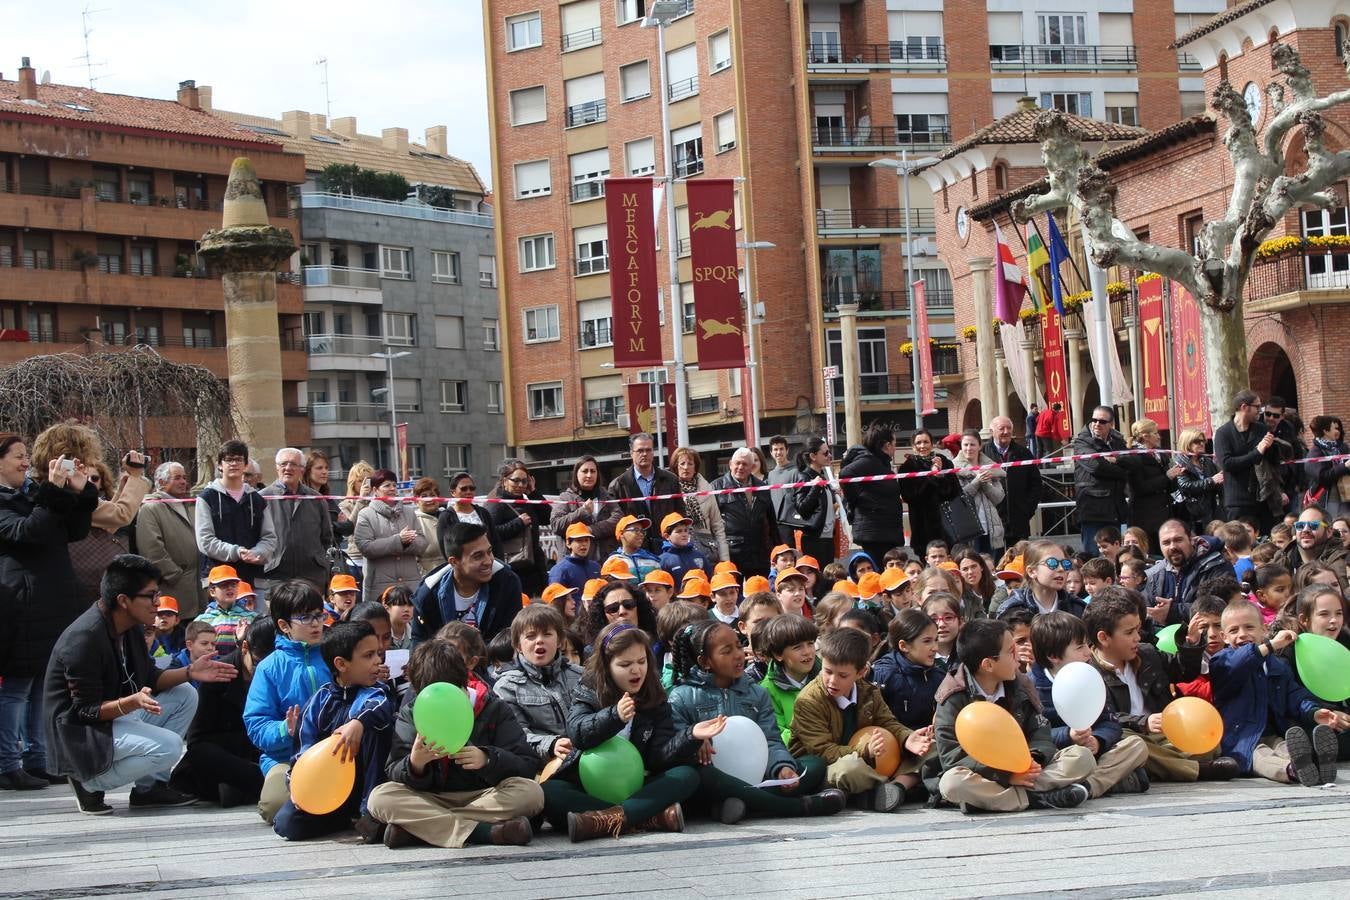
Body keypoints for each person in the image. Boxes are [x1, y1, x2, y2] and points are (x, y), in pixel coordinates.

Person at [44, 554, 237, 814]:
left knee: (185, 694)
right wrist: (129, 703)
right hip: (80, 736)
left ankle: (150, 789)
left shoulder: (131, 626)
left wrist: (191, 671)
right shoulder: (85, 638)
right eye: (151, 596)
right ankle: (88, 781)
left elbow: (152, 679)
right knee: (169, 746)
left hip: (113, 717)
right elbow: (83, 712)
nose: (157, 603)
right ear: (123, 600)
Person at [367, 640, 544, 849]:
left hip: (484, 796)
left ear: (464, 682)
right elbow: (394, 768)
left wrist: (488, 759)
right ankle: (485, 832)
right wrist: (415, 765)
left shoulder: (493, 708)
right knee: (380, 798)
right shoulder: (412, 712)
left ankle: (420, 830)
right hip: (431, 798)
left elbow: (527, 765)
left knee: (531, 793)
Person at [668, 620, 844, 823]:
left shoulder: (757, 693)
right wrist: (693, 740)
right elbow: (676, 746)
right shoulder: (681, 697)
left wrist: (781, 768)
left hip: (758, 775)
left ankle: (741, 804)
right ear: (705, 661)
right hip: (714, 779)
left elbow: (770, 740)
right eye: (726, 651)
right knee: (702, 776)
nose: (738, 654)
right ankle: (795, 806)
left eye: (739, 645)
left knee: (813, 764)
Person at [0, 431, 99, 791]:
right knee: (17, 686)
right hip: (19, 603)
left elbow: (71, 531)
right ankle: (7, 763)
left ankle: (38, 759)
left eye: (27, 455)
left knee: (43, 682)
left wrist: (79, 492)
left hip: (51, 598)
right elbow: (29, 531)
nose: (27, 462)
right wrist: (56, 493)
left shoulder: (31, 495)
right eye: (17, 456)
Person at [554, 622, 714, 841]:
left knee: (686, 775)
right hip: (588, 784)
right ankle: (649, 817)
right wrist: (614, 716)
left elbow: (658, 757)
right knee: (549, 792)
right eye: (625, 664)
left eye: (641, 661)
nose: (636, 670)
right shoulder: (589, 689)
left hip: (636, 784)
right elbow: (577, 733)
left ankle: (603, 821)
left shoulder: (654, 694)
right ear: (607, 666)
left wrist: (691, 735)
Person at [933, 618, 1094, 813]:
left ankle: (999, 800)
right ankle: (1037, 798)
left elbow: (1040, 731)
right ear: (988, 665)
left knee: (1081, 756)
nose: (1019, 656)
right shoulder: (952, 696)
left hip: (1025, 767)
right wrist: (1005, 774)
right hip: (985, 774)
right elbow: (952, 756)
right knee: (952, 783)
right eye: (1011, 652)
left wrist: (1032, 761)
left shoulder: (1021, 684)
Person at [1085, 587, 1238, 782]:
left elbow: (1184, 672)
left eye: (1138, 630)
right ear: (1103, 638)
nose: (1137, 638)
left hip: (1162, 736)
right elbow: (1105, 721)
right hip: (1129, 737)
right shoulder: (1089, 673)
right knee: (1132, 743)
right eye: (1129, 632)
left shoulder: (1146, 653)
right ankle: (1195, 770)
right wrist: (1143, 722)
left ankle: (1151, 769)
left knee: (1209, 745)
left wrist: (1191, 644)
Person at [272, 621, 395, 841]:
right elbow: (302, 750)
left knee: (374, 727)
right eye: (368, 656)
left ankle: (368, 813)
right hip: (331, 789)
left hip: (368, 788)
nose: (378, 661)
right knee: (286, 824)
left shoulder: (377, 692)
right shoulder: (321, 699)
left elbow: (380, 708)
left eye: (378, 654)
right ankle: (344, 817)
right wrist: (298, 787)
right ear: (341, 664)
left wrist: (357, 722)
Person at [788, 627, 929, 812]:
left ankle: (894, 787)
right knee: (851, 768)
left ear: (861, 672)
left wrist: (908, 738)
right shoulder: (809, 700)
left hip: (870, 760)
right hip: (829, 768)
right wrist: (864, 750)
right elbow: (823, 752)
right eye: (827, 671)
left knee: (930, 747)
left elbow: (887, 722)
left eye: (842, 675)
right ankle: (895, 786)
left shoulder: (868, 691)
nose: (832, 681)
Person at [1209, 601, 1344, 785]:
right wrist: (1270, 645)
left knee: (1286, 747)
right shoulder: (1222, 661)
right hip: (1242, 739)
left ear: (1264, 629)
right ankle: (1293, 770)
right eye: (1234, 630)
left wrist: (1314, 712)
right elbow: (1239, 663)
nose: (1242, 634)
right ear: (1224, 637)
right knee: (1263, 758)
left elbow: (1295, 696)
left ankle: (1315, 765)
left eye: (1249, 627)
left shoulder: (1277, 666)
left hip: (1273, 732)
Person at [1028, 612, 1150, 797]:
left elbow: (1110, 722)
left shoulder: (1091, 677)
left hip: (1095, 752)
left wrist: (1098, 741)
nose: (1088, 651)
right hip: (1062, 757)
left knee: (1136, 745)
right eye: (1079, 647)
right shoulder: (1032, 687)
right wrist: (1068, 736)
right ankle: (1038, 789)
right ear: (1053, 656)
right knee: (1079, 757)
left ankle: (1087, 787)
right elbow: (1032, 736)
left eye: (1087, 644)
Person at [243, 579, 331, 823]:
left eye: (319, 615)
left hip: (334, 753)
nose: (315, 624)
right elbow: (256, 724)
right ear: (283, 625)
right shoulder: (269, 668)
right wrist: (285, 729)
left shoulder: (334, 655)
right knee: (274, 806)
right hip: (285, 757)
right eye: (305, 618)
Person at [173, 615, 272, 807]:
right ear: (245, 649)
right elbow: (197, 743)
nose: (264, 670)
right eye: (259, 662)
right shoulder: (219, 674)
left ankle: (242, 791)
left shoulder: (275, 673)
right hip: (222, 755)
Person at [492, 604, 585, 767]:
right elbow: (517, 735)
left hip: (589, 757)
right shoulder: (506, 687)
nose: (539, 640)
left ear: (560, 641)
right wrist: (551, 744)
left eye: (547, 634)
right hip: (544, 767)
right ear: (518, 646)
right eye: (531, 636)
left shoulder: (581, 675)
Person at [412, 522, 523, 642]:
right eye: (478, 556)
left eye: (489, 552)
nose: (488, 561)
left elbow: (509, 639)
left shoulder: (507, 583)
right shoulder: (428, 594)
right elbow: (419, 644)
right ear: (454, 562)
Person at [195, 439, 277, 590]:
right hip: (219, 580)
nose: (234, 464)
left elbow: (269, 538)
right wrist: (236, 552)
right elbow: (205, 541)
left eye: (238, 459)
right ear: (220, 465)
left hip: (253, 580)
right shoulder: (206, 498)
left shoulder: (257, 500)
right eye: (229, 459)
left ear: (245, 465)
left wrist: (257, 553)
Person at [136, 461, 208, 619]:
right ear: (161, 483)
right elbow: (152, 550)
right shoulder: (151, 508)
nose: (183, 482)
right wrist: (175, 575)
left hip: (197, 588)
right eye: (177, 478)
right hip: (173, 590)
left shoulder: (189, 505)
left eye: (184, 477)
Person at [259, 448, 334, 597]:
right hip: (274, 576)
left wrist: (317, 560)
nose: (288, 468)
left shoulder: (316, 499)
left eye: (293, 464)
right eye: (283, 464)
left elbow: (326, 537)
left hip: (311, 575)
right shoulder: (262, 498)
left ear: (302, 469)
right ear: (276, 467)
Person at [1142, 519, 1233, 627]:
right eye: (1166, 543)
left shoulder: (1216, 565)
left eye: (1178, 540)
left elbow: (1221, 606)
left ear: (1191, 540)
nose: (1172, 547)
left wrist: (1174, 612)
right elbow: (1145, 610)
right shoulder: (1155, 575)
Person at [607, 434, 687, 555]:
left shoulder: (670, 480)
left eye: (648, 450)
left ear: (653, 452)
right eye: (640, 450)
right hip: (635, 553)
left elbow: (680, 514)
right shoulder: (618, 485)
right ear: (631, 453)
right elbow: (616, 523)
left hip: (668, 549)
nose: (644, 454)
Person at [355, 469, 427, 605]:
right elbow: (365, 547)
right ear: (375, 490)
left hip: (410, 585)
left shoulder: (409, 512)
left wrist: (408, 542)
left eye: (394, 485)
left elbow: (422, 543)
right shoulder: (366, 514)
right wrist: (398, 541)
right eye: (387, 485)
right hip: (380, 587)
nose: (392, 489)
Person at [1214, 390, 1282, 531]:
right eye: (1257, 407)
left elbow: (1274, 461)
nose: (1260, 411)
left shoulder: (1261, 429)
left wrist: (1272, 447)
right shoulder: (1223, 433)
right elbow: (1228, 464)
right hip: (1237, 501)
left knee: (1265, 542)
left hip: (1263, 498)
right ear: (1244, 407)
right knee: (1239, 542)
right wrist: (1257, 452)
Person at [872, 608, 944, 737]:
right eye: (927, 641)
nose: (935, 648)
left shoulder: (939, 676)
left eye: (936, 639)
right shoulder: (883, 675)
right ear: (903, 646)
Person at [840, 423, 905, 563]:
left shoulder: (881, 462)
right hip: (875, 532)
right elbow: (846, 474)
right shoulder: (869, 461)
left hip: (884, 529)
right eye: (894, 444)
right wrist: (856, 499)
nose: (895, 447)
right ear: (887, 445)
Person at [711, 448, 778, 578]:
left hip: (759, 554)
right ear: (730, 464)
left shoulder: (762, 487)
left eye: (745, 464)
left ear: (752, 467)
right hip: (731, 553)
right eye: (737, 463)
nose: (740, 467)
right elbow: (712, 523)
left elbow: (771, 522)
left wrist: (775, 548)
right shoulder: (716, 487)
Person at [487, 460, 549, 598]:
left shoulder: (527, 501)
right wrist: (518, 523)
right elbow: (490, 533)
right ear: (504, 481)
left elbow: (547, 517)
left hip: (534, 567)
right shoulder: (496, 503)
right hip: (511, 568)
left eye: (524, 481)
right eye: (516, 481)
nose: (520, 485)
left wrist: (533, 492)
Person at [1072, 406, 1129, 551]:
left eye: (1102, 421)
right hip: (1093, 511)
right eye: (1094, 420)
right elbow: (1096, 466)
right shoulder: (1082, 442)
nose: (1097, 424)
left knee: (1119, 557)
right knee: (1094, 561)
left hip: (1116, 510)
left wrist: (1116, 461)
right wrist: (1121, 470)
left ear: (1111, 424)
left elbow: (1133, 462)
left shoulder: (1117, 441)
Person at [759, 613, 820, 746]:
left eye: (810, 644)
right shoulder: (767, 690)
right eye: (797, 647)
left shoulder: (827, 677)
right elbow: (778, 736)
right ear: (778, 654)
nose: (807, 652)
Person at [897, 430, 959, 560]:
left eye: (926, 442)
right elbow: (910, 497)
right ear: (913, 446)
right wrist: (931, 477)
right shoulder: (906, 468)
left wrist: (941, 476)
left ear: (932, 444)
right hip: (922, 528)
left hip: (947, 526)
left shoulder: (944, 462)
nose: (922, 446)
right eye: (918, 443)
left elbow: (953, 492)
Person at [983, 416, 1042, 547]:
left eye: (1009, 428)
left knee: (1018, 562)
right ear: (991, 431)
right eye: (1001, 428)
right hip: (992, 520)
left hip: (1019, 520)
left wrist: (1027, 509)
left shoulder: (1024, 453)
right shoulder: (982, 454)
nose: (1006, 431)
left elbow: (1036, 484)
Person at [1121, 419, 1178, 552]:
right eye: (1155, 433)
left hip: (1164, 512)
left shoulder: (1160, 454)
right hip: (1145, 516)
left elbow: (1168, 485)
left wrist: (1174, 477)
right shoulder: (1134, 456)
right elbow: (1139, 487)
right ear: (1145, 436)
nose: (1159, 436)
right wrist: (1166, 477)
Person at [549, 456, 621, 560]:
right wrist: (582, 512)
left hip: (606, 562)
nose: (589, 475)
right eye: (585, 471)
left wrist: (591, 530)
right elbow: (556, 524)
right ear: (576, 474)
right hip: (575, 564)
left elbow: (618, 519)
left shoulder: (606, 496)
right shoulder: (565, 497)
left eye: (593, 471)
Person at [996, 540, 1088, 618]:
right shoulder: (1012, 610)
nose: (1061, 569)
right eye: (1052, 563)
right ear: (1032, 571)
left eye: (1065, 563)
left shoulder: (1078, 608)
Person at [670, 447, 728, 564]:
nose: (686, 467)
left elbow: (718, 526)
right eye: (682, 463)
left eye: (690, 463)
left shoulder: (707, 489)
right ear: (675, 466)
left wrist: (724, 560)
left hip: (706, 550)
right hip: (679, 554)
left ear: (696, 467)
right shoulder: (669, 489)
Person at [789, 437, 839, 565]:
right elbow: (802, 508)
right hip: (814, 539)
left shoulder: (823, 477)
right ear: (813, 456)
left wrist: (838, 497)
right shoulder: (804, 477)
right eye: (825, 453)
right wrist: (815, 487)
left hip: (827, 538)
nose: (830, 455)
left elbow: (827, 508)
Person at [954, 430, 1005, 556]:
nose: (969, 448)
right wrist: (977, 481)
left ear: (979, 446)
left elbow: (999, 498)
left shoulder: (992, 469)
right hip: (969, 530)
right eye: (965, 445)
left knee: (993, 570)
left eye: (972, 444)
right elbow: (960, 498)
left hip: (992, 529)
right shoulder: (953, 469)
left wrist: (985, 483)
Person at [435, 471, 502, 561]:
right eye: (464, 489)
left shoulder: (483, 513)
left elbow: (496, 542)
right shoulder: (446, 517)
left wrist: (499, 564)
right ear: (453, 492)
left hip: (489, 564)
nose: (469, 492)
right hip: (464, 567)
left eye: (472, 488)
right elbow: (445, 548)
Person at [1173, 427, 1224, 534]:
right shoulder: (1179, 462)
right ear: (1187, 443)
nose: (1201, 444)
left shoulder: (1207, 461)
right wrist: (1212, 481)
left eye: (1203, 441)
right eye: (1197, 441)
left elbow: (1216, 485)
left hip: (1209, 511)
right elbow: (1185, 486)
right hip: (1189, 513)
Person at [301, 449, 349, 552]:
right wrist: (336, 525)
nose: (325, 472)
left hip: (331, 554)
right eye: (319, 468)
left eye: (326, 468)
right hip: (312, 554)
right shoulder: (302, 497)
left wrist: (334, 526)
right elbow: (313, 529)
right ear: (308, 471)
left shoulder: (327, 498)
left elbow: (348, 527)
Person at [1282, 504, 1347, 576]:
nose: (1305, 530)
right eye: (1300, 525)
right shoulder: (1282, 558)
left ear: (1329, 532)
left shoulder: (1344, 562)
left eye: (1313, 525)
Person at [1305, 415, 1349, 517]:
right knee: (1333, 523)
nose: (1337, 431)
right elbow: (1322, 476)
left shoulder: (1341, 448)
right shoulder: (1315, 452)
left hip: (1346, 494)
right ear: (1326, 431)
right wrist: (1344, 466)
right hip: (1328, 498)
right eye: (1334, 428)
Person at [339, 462, 374, 578]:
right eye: (360, 480)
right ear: (352, 483)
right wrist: (361, 500)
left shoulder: (376, 502)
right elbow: (350, 527)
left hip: (376, 555)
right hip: (356, 558)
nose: (364, 484)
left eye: (368, 480)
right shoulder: (345, 505)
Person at [766, 435, 801, 547]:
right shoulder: (770, 475)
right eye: (775, 449)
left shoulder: (796, 471)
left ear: (787, 451)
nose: (778, 452)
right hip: (774, 524)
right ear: (771, 452)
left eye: (781, 449)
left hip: (790, 524)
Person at [607, 514, 663, 582]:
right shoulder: (613, 561)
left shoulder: (652, 560)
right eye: (636, 530)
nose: (641, 534)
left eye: (642, 531)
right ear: (621, 534)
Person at [410, 478, 448, 576]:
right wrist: (425, 577)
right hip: (429, 578)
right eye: (424, 496)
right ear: (416, 501)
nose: (429, 499)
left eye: (432, 495)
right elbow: (413, 558)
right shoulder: (413, 521)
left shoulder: (448, 517)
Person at [549, 523, 601, 594]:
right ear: (568, 543)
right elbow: (556, 599)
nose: (584, 544)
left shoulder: (596, 567)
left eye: (586, 540)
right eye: (579, 540)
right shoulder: (560, 570)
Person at [658, 513, 708, 584]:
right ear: (667, 536)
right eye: (679, 531)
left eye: (686, 530)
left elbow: (709, 578)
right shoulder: (663, 561)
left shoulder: (699, 555)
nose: (684, 534)